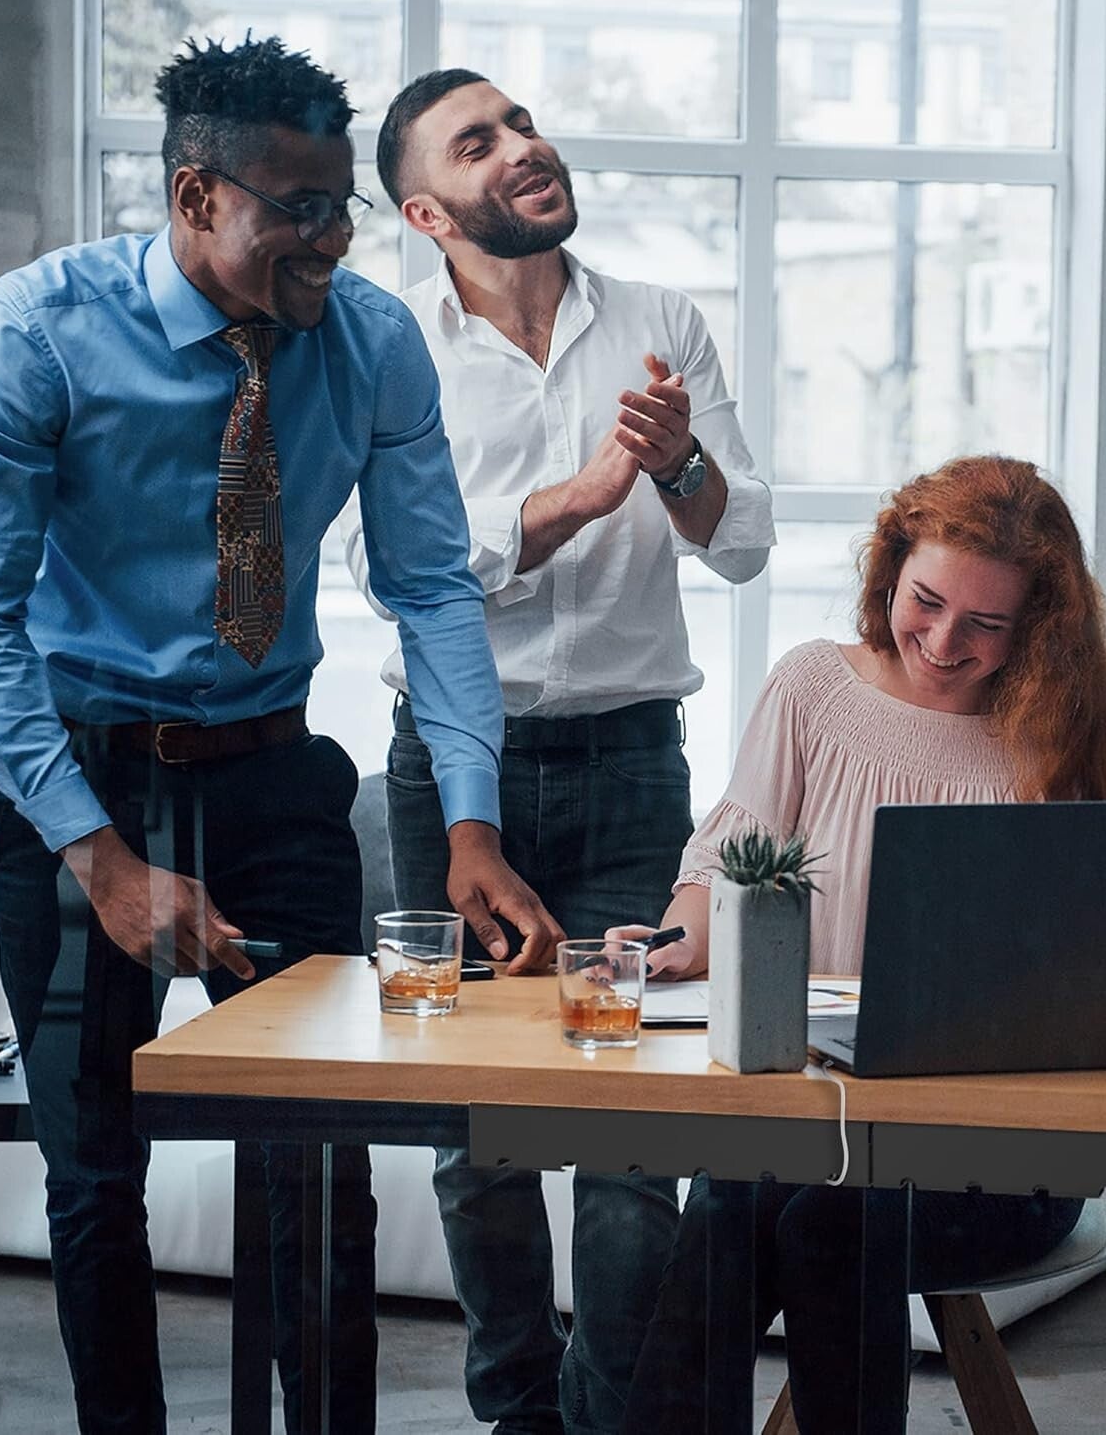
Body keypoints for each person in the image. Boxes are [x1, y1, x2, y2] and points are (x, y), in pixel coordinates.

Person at [0, 36, 561, 1435]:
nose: (334, 238)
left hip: (273, 780)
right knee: (93, 1175)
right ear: (197, 193)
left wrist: (467, 822)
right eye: (297, 208)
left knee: (318, 1167)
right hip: (77, 787)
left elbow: (432, 587)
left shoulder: (373, 342)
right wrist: (100, 861)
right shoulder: (34, 333)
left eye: (344, 205)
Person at [342, 70, 775, 1434]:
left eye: (521, 122)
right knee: (475, 1135)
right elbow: (392, 569)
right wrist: (587, 494)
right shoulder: (385, 341)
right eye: (481, 142)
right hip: (450, 774)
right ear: (426, 208)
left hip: (639, 762)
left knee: (637, 1126)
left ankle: (608, 1422)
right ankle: (516, 1417)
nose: (524, 147)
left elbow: (743, 538)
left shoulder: (661, 323)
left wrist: (678, 466)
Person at [611, 454, 1106, 1433]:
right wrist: (676, 942)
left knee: (835, 1217)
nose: (944, 643)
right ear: (889, 570)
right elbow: (721, 866)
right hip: (815, 1118)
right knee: (736, 1199)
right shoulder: (813, 692)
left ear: (1041, 625)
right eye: (927, 602)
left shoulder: (1079, 742)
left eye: (986, 624)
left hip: (1007, 1154)